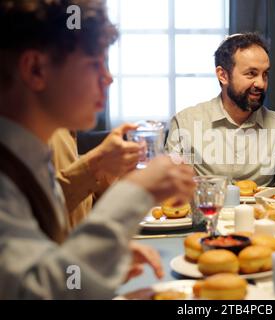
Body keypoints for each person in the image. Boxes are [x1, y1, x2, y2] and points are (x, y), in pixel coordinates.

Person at [0, 0, 195, 299]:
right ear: (35, 69)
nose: (108, 77)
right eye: (94, 63)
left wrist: (99, 260)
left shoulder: (34, 152)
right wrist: (135, 192)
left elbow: (42, 264)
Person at [166, 33, 275, 187]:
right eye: (251, 74)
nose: (261, 84)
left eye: (265, 74)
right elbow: (174, 186)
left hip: (261, 210)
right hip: (209, 209)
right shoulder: (185, 123)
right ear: (223, 75)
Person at [49, 125, 141, 227]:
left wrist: (105, 177)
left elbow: (80, 212)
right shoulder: (43, 135)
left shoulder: (64, 132)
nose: (101, 108)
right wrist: (96, 165)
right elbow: (41, 208)